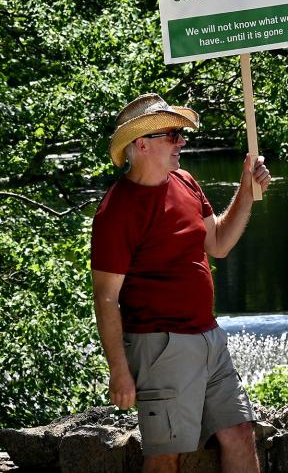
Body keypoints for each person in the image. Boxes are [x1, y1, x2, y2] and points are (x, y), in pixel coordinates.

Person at [91, 93, 271, 472]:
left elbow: (218, 243)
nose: (182, 142)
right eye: (172, 135)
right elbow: (106, 298)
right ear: (142, 144)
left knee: (240, 432)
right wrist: (119, 370)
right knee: (165, 456)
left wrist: (246, 188)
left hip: (209, 338)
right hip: (160, 346)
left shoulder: (185, 182)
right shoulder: (116, 210)